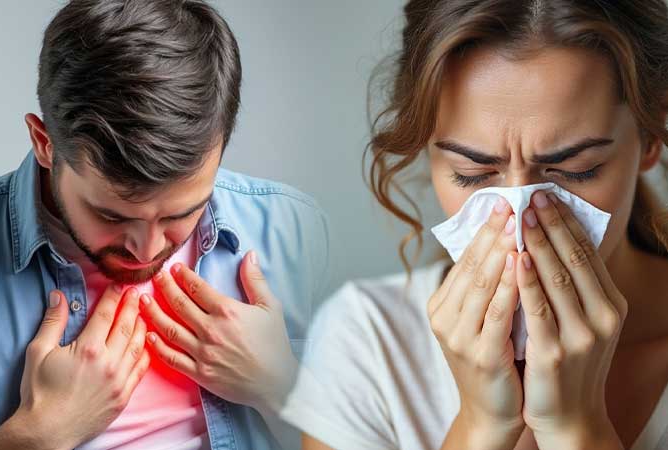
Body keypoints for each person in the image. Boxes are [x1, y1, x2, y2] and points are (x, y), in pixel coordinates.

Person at [282, 1, 668, 449]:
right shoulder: (367, 341)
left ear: (650, 137)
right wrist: (483, 426)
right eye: (473, 173)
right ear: (428, 150)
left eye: (576, 169)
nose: (520, 222)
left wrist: (575, 428)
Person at [0, 1, 328, 449]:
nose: (146, 251)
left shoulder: (297, 232)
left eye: (181, 213)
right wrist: (37, 436)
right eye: (111, 215)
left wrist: (282, 387)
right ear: (45, 144)